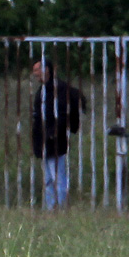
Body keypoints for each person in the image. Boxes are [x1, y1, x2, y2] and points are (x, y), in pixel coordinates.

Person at [30, 57, 87, 210]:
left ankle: (61, 206)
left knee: (57, 177)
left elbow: (63, 114)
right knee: (48, 178)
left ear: (46, 70)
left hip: (54, 140)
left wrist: (53, 132)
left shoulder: (59, 89)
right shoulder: (43, 90)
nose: (34, 73)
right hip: (43, 139)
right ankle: (50, 207)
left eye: (37, 70)